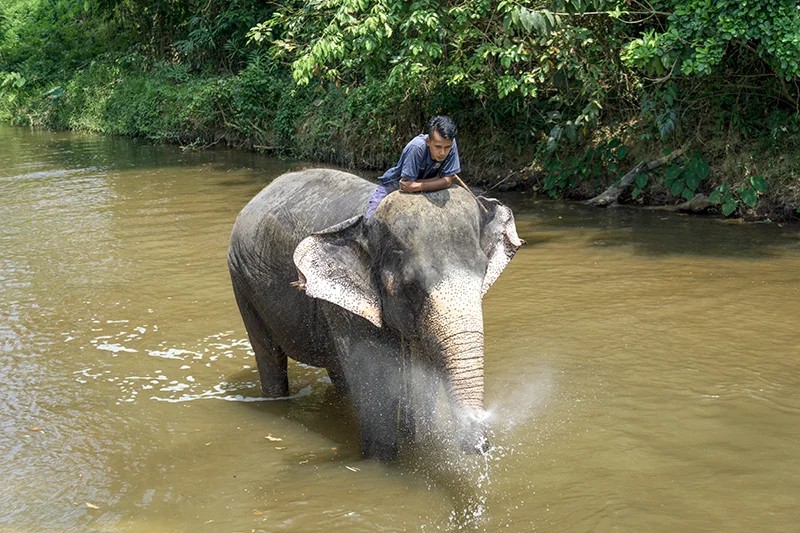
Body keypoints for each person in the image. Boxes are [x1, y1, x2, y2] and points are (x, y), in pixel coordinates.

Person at [365, 115, 461, 218]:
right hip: (396, 183)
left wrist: (420, 186)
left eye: (447, 147)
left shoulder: (451, 143)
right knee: (371, 218)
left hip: (422, 181)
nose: (442, 152)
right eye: (438, 147)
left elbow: (448, 181)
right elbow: (407, 185)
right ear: (428, 141)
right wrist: (438, 180)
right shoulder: (416, 147)